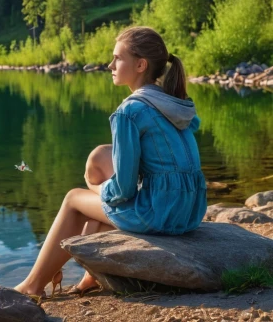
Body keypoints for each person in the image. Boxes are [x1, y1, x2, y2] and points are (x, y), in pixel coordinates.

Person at [14, 26, 207, 300]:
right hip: (190, 211)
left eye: (118, 58)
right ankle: (91, 278)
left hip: (159, 215)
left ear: (140, 65)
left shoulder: (129, 111)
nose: (109, 65)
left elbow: (124, 191)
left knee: (73, 199)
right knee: (99, 172)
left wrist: (95, 187)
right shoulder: (175, 102)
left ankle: (32, 286)